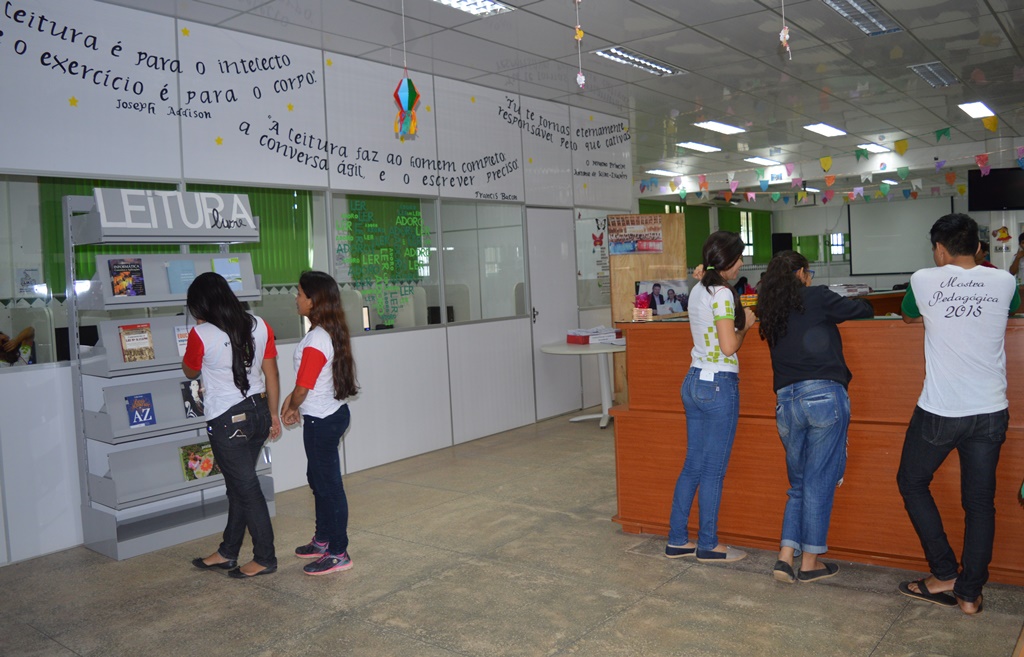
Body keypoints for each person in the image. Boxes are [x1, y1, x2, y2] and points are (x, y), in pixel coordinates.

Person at [896, 213, 1020, 614]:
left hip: (941, 410)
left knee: (912, 481)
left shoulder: (924, 280)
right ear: (981, 248)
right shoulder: (1004, 281)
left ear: (940, 249)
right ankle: (969, 594)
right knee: (980, 503)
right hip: (990, 410)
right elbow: (1013, 309)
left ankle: (944, 572)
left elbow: (909, 313)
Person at [756, 251, 873, 584]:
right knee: (819, 483)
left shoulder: (769, 309)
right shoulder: (817, 297)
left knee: (799, 485)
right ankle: (809, 564)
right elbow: (864, 309)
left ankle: (784, 558)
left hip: (786, 403)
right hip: (823, 397)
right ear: (802, 274)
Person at [665, 231, 756, 563]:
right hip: (718, 385)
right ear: (728, 262)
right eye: (739, 258)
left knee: (693, 465)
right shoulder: (721, 294)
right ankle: (709, 544)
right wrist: (745, 324)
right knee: (713, 470)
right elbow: (729, 346)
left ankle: (677, 539)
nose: (742, 264)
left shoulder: (698, 289)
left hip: (693, 381)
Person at [184, 272, 281, 579]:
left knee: (246, 488)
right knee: (239, 486)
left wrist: (199, 333)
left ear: (200, 305)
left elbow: (189, 371)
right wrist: (274, 415)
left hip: (227, 419)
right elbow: (272, 374)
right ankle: (227, 552)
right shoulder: (260, 324)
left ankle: (265, 557)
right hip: (259, 412)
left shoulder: (201, 334)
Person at [281, 271, 360, 576]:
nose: (296, 298)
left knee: (328, 487)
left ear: (314, 300)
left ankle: (338, 552)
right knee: (318, 481)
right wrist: (290, 405)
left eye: (300, 293)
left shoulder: (317, 339)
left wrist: (291, 407)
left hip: (322, 422)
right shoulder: (326, 332)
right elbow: (306, 384)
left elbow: (303, 388)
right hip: (327, 416)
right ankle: (323, 540)